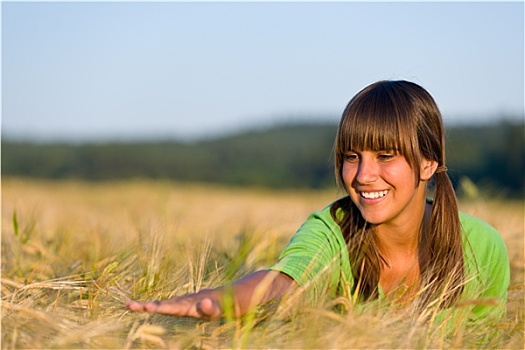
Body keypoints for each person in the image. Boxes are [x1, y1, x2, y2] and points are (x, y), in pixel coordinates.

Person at [125, 80, 510, 326]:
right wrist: (219, 300)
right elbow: (283, 280)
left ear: (428, 162)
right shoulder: (331, 230)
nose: (363, 175)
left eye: (386, 156)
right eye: (352, 156)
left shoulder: (481, 248)